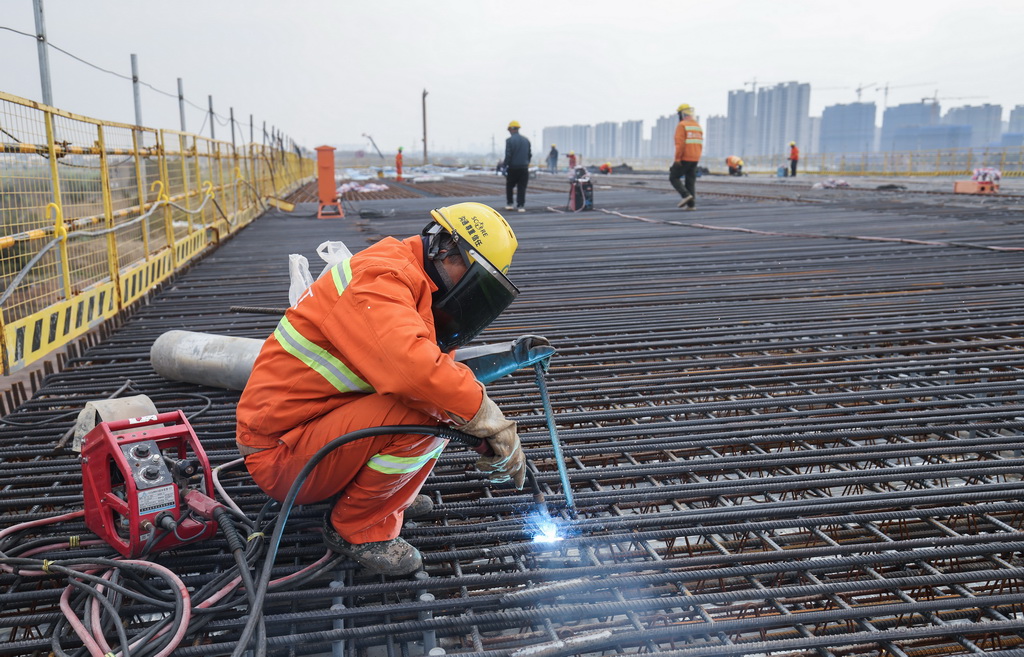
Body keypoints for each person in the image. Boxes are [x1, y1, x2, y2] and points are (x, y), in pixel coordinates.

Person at [236, 202, 544, 577]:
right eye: (473, 274)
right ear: (445, 248)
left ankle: (380, 498)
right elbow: (414, 370)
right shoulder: (381, 278)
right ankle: (358, 528)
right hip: (282, 457)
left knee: (444, 407)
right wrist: (486, 418)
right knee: (427, 410)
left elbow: (431, 368)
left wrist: (472, 419)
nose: (471, 289)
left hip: (309, 435)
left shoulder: (413, 280)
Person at [669, 104, 703, 210]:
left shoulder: (682, 125)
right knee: (690, 180)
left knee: (673, 177)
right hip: (695, 157)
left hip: (685, 157)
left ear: (681, 114)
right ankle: (691, 205)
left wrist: (677, 159)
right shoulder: (697, 126)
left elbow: (680, 144)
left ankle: (685, 195)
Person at [504, 120, 531, 213]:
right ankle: (521, 205)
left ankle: (510, 204)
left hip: (513, 168)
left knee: (510, 186)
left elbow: (508, 155)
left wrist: (504, 166)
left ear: (511, 129)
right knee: (522, 187)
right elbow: (529, 154)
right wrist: (526, 163)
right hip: (524, 168)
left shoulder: (509, 141)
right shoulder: (526, 140)